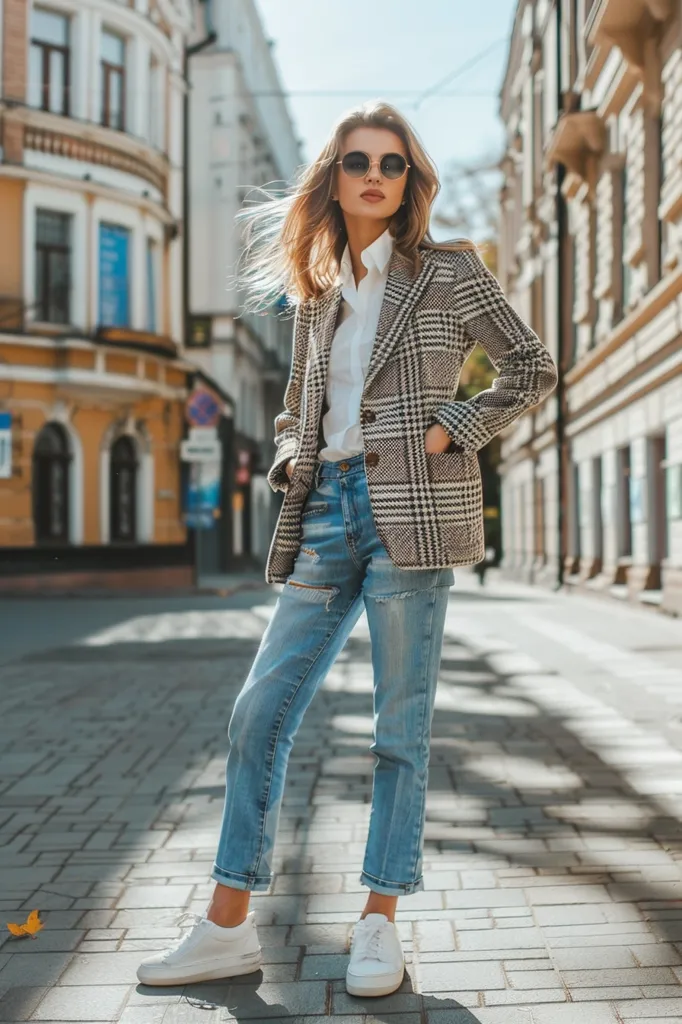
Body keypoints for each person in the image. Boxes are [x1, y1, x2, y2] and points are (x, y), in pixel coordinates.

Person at [137, 101, 558, 997]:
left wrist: (453, 428)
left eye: (393, 163)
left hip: (412, 511)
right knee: (259, 714)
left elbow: (530, 366)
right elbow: (296, 406)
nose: (375, 174)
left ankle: (379, 923)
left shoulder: (450, 273)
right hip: (324, 512)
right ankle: (225, 927)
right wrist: (293, 454)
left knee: (398, 732)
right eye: (359, 159)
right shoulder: (317, 289)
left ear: (411, 181)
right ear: (334, 174)